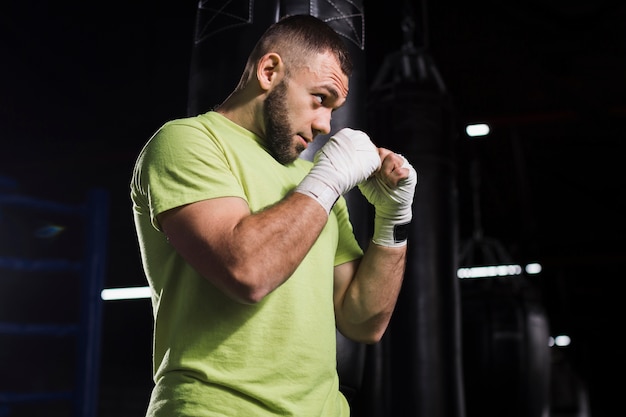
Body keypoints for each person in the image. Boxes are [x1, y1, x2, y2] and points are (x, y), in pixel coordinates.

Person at [130, 14, 417, 417]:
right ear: (269, 71)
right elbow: (248, 271)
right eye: (320, 99)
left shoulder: (312, 183)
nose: (325, 125)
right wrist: (329, 180)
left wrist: (392, 217)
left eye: (335, 110)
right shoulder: (187, 142)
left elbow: (363, 322)